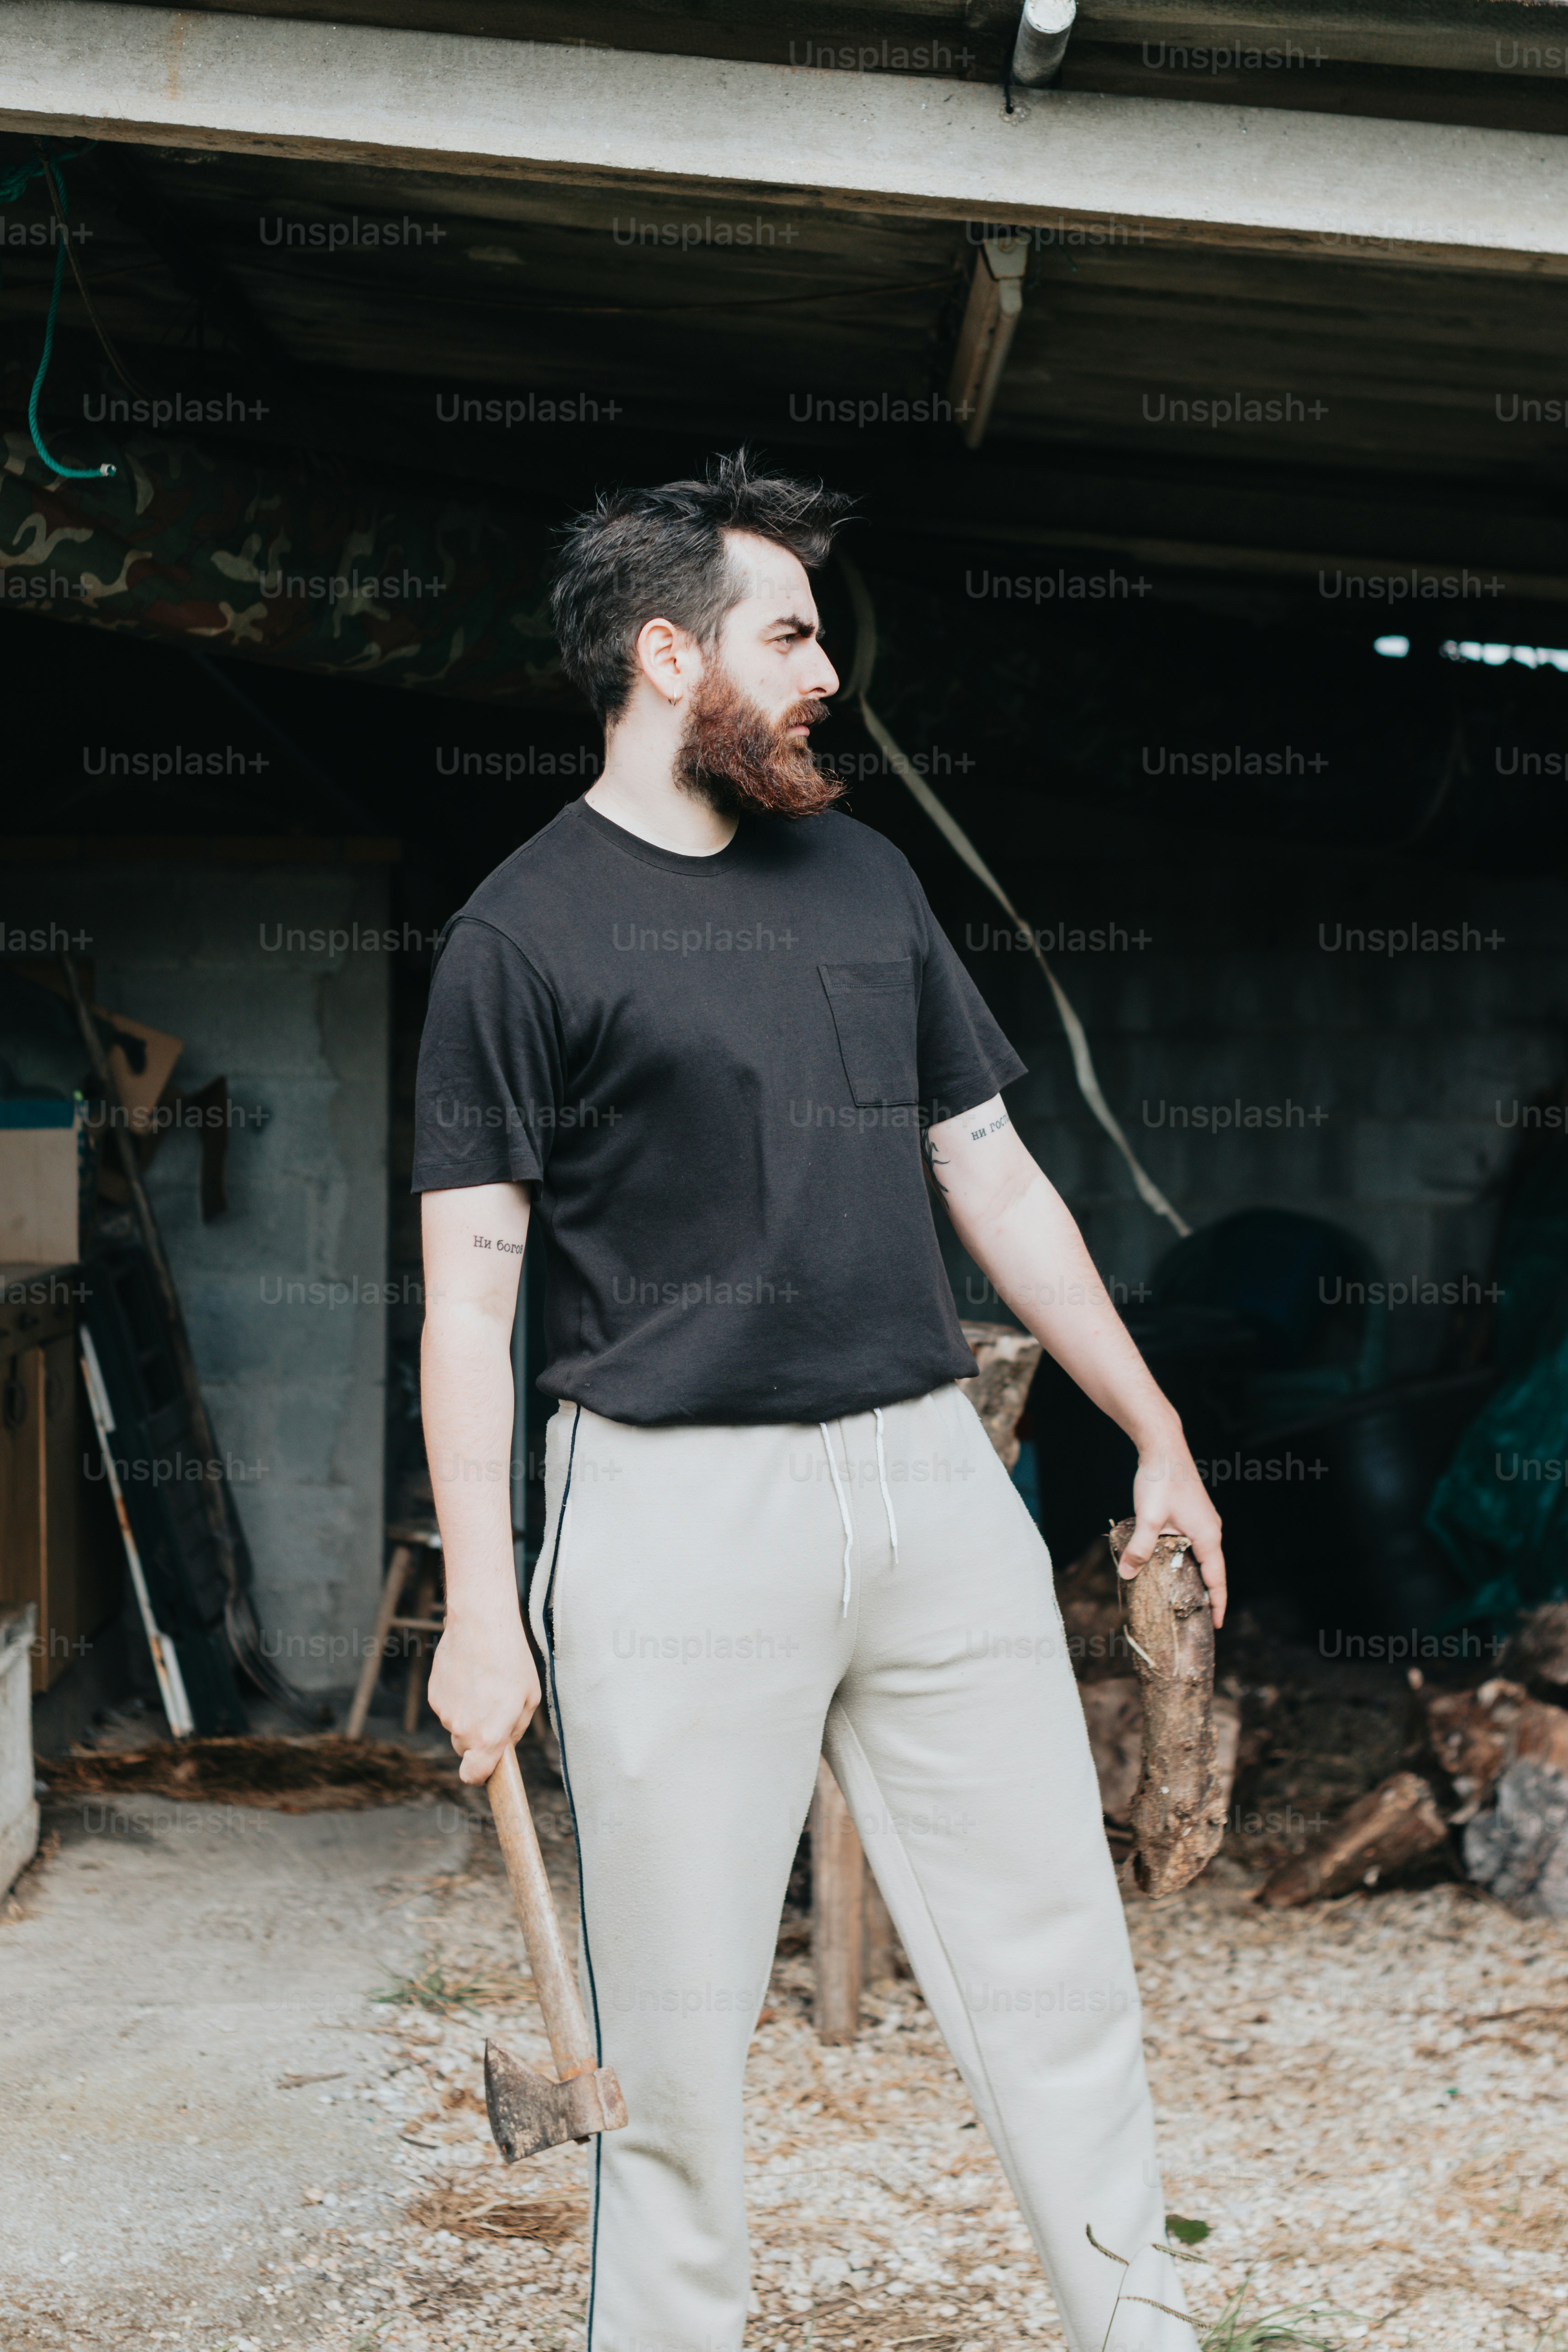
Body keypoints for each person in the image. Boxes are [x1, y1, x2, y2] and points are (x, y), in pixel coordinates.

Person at [411, 450, 1225, 2352]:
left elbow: (991, 1170)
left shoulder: (861, 875)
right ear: (666, 650)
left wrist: (1159, 1427)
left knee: (1055, 1975)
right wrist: (473, 1599)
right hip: (672, 1514)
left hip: (931, 1481)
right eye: (787, 636)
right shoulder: (516, 935)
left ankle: (1142, 2331)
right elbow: (468, 1287)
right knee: (675, 2052)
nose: (823, 675)